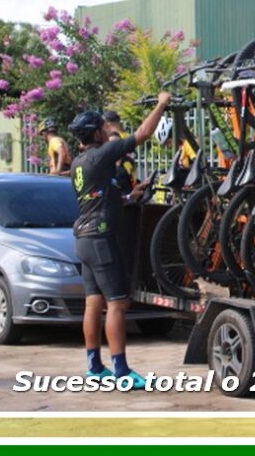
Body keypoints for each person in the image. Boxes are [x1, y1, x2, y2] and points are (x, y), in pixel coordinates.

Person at [68, 92, 171, 389]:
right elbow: (144, 133)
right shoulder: (102, 154)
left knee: (93, 302)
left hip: (84, 238)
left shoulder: (78, 163)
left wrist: (127, 197)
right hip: (101, 239)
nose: (107, 130)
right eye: (103, 127)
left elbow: (96, 197)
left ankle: (94, 367)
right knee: (118, 303)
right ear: (96, 133)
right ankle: (122, 372)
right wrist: (162, 103)